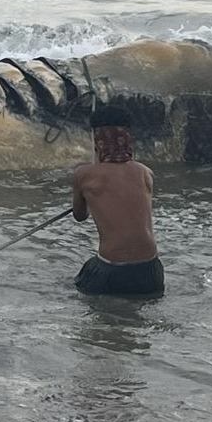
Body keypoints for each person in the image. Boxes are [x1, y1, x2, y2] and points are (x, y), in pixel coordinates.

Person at [70, 104, 165, 296]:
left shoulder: (84, 175)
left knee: (76, 287)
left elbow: (79, 216)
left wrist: (85, 196)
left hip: (113, 272)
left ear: (97, 140)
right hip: (151, 272)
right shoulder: (145, 173)